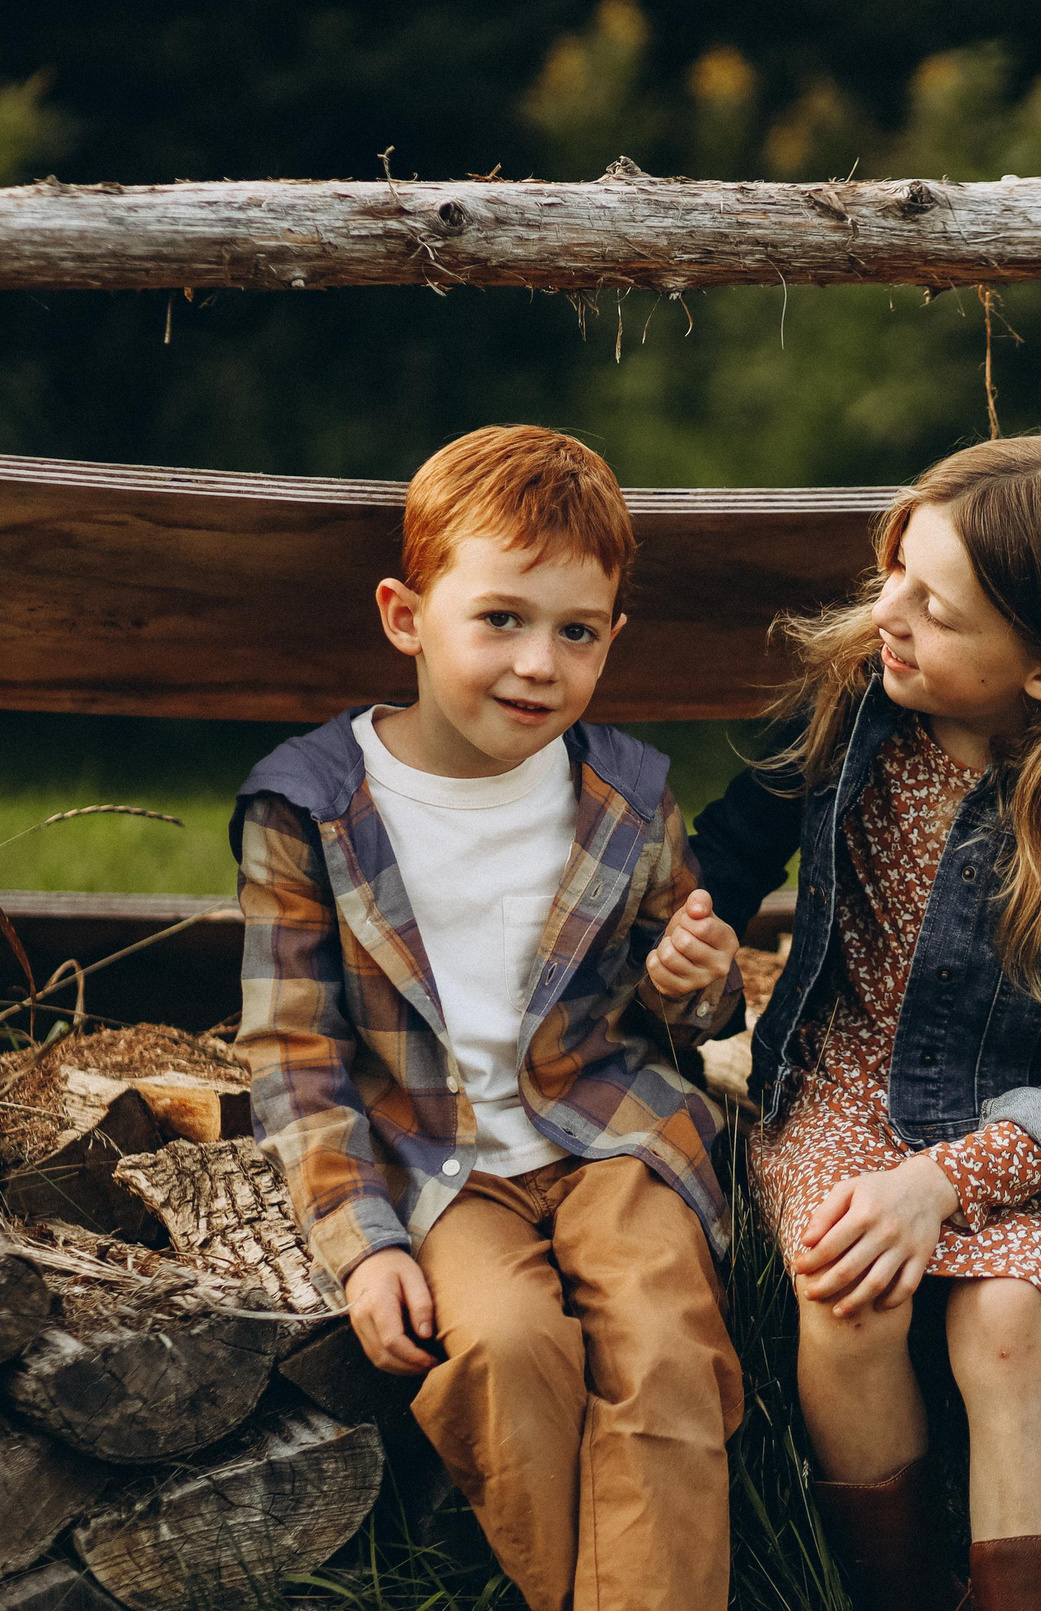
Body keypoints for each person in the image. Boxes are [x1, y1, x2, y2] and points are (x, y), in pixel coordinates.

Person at [690, 435, 1041, 1611]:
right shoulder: (848, 708)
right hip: (840, 1090)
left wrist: (941, 1184)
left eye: (932, 607)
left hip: (1016, 1136)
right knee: (848, 1286)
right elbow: (722, 857)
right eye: (892, 571)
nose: (884, 611)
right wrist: (684, 938)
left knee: (1005, 1320)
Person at [231, 425, 745, 1611]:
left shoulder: (626, 794)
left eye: (577, 633)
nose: (537, 665)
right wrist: (363, 1243)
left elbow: (686, 1011)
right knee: (506, 1350)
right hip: (433, 1156)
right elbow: (294, 1056)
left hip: (613, 1135)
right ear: (406, 617)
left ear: (612, 637)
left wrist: (693, 977)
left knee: (663, 1342)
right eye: (501, 619)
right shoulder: (310, 808)